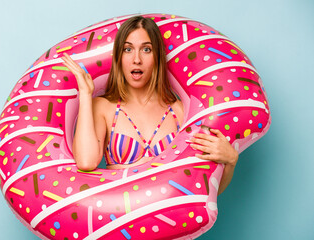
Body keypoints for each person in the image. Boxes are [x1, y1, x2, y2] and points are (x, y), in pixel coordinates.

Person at [62, 16, 238, 195]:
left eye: (146, 49)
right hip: (121, 215)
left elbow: (204, 190)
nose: (136, 59)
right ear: (119, 57)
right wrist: (85, 94)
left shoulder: (178, 111)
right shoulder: (103, 107)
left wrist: (230, 162)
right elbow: (86, 162)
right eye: (128, 49)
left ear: (157, 56)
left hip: (171, 218)